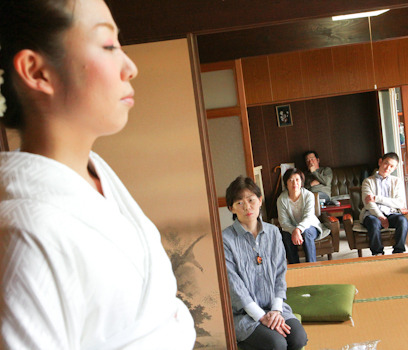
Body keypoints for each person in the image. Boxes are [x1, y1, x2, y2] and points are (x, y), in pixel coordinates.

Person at [0, 0, 195, 348]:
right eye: (108, 46)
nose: (130, 67)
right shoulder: (27, 232)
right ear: (37, 71)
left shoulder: (95, 174)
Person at [222, 176, 308, 350]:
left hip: (274, 306)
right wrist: (262, 316)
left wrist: (276, 311)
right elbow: (234, 286)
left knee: (298, 339)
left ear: (260, 201)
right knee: (277, 344)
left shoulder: (273, 232)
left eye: (251, 200)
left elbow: (279, 274)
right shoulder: (225, 239)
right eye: (239, 203)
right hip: (244, 313)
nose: (246, 207)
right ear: (231, 208)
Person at [277, 168, 330, 263]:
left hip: (310, 226)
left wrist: (298, 229)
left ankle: (311, 266)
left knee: (307, 233)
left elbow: (308, 217)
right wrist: (294, 231)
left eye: (297, 180)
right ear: (286, 183)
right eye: (291, 180)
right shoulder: (281, 199)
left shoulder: (308, 195)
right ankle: (295, 266)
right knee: (286, 236)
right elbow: (283, 222)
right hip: (291, 228)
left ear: (301, 182)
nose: (294, 183)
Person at [360, 152, 408, 255]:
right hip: (373, 215)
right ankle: (378, 253)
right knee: (373, 223)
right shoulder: (368, 181)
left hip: (391, 214)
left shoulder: (397, 181)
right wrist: (380, 216)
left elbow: (399, 203)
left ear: (395, 168)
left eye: (392, 166)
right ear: (380, 162)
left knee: (402, 221)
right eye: (386, 163)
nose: (388, 168)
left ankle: (398, 252)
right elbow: (368, 204)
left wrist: (377, 198)